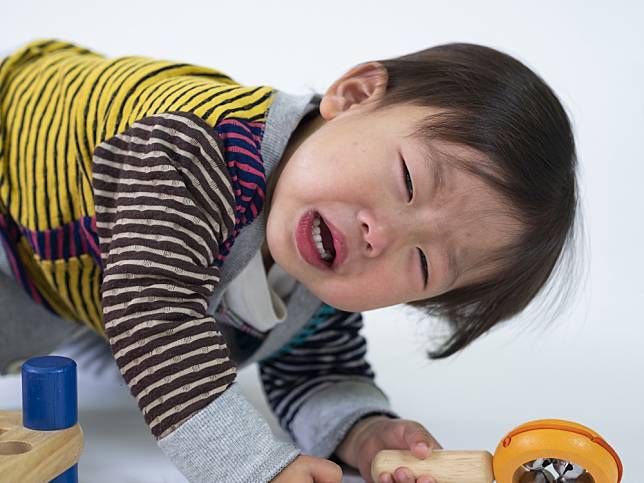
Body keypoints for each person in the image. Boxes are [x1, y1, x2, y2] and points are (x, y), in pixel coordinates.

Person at [0, 38, 578, 483]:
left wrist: (363, 430)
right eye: (406, 179)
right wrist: (256, 464)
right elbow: (156, 317)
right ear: (352, 97)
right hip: (17, 193)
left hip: (97, 261)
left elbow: (316, 366)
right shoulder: (192, 154)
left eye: (423, 263)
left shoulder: (326, 259)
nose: (383, 236)